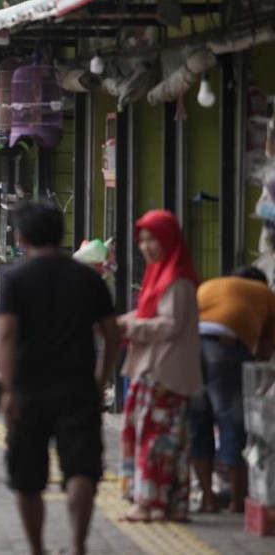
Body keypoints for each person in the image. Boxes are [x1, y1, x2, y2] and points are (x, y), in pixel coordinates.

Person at [0, 200, 121, 555]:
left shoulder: (13, 278)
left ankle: (37, 550)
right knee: (81, 468)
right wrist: (101, 379)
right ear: (62, 235)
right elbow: (112, 334)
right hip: (78, 384)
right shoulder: (87, 277)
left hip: (28, 388)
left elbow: (5, 335)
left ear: (21, 237)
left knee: (28, 477)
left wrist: (6, 390)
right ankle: (78, 545)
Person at [117, 209, 203, 523]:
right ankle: (171, 503)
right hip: (157, 369)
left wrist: (127, 328)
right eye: (142, 240)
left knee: (155, 439)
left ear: (168, 239)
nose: (146, 246)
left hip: (162, 371)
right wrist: (121, 324)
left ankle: (149, 502)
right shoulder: (161, 274)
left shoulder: (176, 280)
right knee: (169, 439)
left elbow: (170, 325)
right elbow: (146, 315)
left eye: (152, 239)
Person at [189, 265, 275, 513]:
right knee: (232, 422)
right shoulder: (265, 293)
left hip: (190, 348)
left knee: (198, 421)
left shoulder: (210, 285)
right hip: (225, 350)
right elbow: (267, 348)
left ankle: (208, 499)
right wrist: (256, 383)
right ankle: (238, 501)